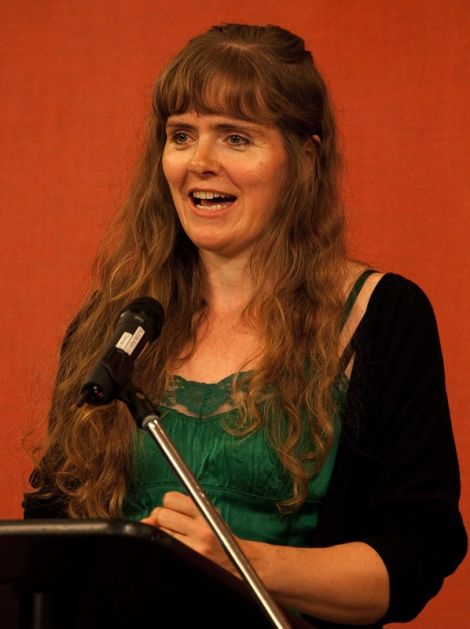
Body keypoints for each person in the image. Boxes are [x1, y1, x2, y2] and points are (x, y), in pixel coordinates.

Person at [24, 23, 466, 627]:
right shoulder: (117, 324)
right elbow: (51, 530)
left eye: (236, 138)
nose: (200, 163)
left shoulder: (381, 316)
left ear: (303, 158)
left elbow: (414, 557)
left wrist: (237, 558)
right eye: (182, 136)